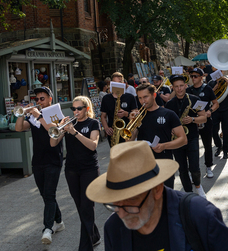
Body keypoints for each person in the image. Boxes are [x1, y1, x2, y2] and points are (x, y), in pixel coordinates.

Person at [85, 141, 228, 251]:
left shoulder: (198, 214)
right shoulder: (113, 227)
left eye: (130, 203)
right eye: (114, 204)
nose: (121, 213)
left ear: (156, 190)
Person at [50, 96, 101, 249]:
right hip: (71, 169)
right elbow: (53, 143)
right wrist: (60, 127)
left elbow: (93, 145)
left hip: (89, 169)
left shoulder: (93, 123)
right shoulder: (69, 124)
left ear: (87, 109)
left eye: (79, 108)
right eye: (73, 109)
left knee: (86, 207)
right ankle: (94, 235)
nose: (76, 111)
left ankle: (85, 247)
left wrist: (74, 132)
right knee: (80, 207)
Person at [15, 86, 64, 244]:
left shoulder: (56, 113)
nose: (39, 102)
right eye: (36, 99)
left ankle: (47, 229)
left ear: (50, 99)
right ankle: (59, 220)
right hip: (38, 161)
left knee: (49, 195)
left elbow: (53, 130)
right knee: (45, 195)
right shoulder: (34, 116)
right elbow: (19, 128)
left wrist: (39, 115)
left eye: (42, 99)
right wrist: (22, 114)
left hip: (53, 160)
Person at [128, 83, 187, 188]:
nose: (143, 101)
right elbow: (128, 142)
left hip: (164, 162)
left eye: (145, 97)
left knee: (166, 199)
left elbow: (183, 139)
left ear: (154, 95)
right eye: (140, 98)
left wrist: (163, 146)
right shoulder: (138, 116)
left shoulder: (168, 114)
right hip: (144, 164)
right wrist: (132, 123)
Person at [166, 74, 207, 197]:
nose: (179, 89)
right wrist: (171, 130)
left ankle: (198, 187)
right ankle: (188, 192)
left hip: (192, 137)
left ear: (186, 86)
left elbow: (204, 118)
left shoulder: (195, 99)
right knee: (182, 168)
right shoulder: (169, 104)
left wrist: (193, 120)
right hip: (177, 140)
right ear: (172, 87)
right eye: (176, 86)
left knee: (194, 166)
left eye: (181, 86)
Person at [186, 68, 219, 178]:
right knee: (191, 147)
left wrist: (210, 111)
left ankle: (208, 167)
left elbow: (215, 103)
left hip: (205, 121)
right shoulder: (188, 90)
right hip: (192, 122)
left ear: (201, 77)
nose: (193, 78)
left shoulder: (207, 88)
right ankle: (192, 170)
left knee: (207, 145)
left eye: (195, 76)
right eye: (192, 76)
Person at [100, 72, 138, 147]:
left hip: (128, 130)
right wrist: (106, 128)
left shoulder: (130, 97)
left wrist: (126, 114)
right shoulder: (106, 98)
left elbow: (136, 113)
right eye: (115, 83)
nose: (118, 85)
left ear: (123, 83)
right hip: (113, 132)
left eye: (120, 82)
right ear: (111, 84)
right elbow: (103, 116)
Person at [209, 74, 228, 159]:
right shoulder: (211, 82)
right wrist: (214, 88)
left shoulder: (227, 81)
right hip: (214, 110)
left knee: (227, 131)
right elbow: (208, 95)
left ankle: (225, 151)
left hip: (226, 109)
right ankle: (219, 146)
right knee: (213, 130)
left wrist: (225, 78)